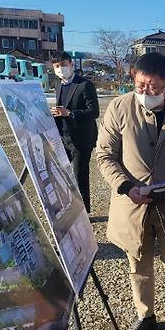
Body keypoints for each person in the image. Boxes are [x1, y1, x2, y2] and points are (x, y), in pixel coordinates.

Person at [96, 52, 165, 330]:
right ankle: (145, 316)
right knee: (138, 262)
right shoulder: (119, 108)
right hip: (132, 203)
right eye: (140, 85)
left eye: (153, 87)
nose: (146, 92)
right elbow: (105, 155)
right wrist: (126, 187)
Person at [50, 51, 99, 213]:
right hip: (63, 138)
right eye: (57, 66)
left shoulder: (85, 85)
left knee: (80, 178)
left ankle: (84, 213)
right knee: (61, 174)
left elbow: (94, 112)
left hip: (81, 140)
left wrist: (70, 113)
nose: (60, 69)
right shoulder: (59, 85)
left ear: (71, 65)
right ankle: (69, 206)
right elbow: (61, 109)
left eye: (63, 65)